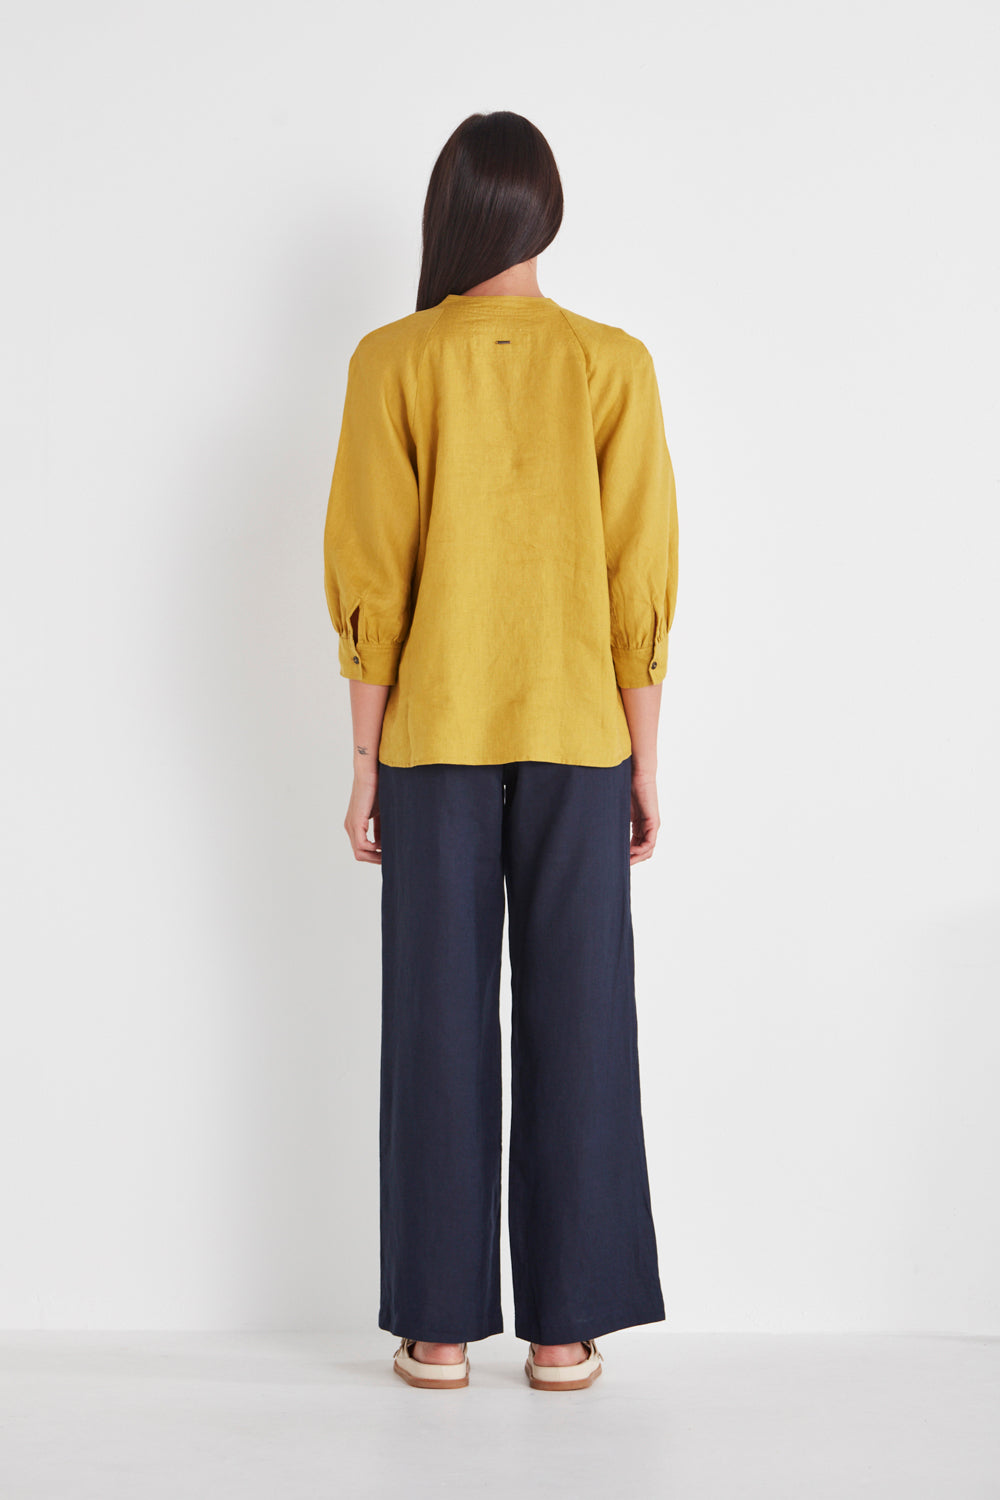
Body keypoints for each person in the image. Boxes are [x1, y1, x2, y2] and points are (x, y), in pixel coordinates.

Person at [323, 110, 679, 1392]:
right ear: (546, 212)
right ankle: (565, 1332)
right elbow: (640, 577)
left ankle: (435, 1330)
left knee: (435, 1023)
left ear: (451, 212)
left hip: (435, 741)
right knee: (583, 1022)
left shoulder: (393, 360)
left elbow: (372, 571)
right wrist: (645, 760)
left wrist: (364, 760)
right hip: (582, 736)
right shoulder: (611, 363)